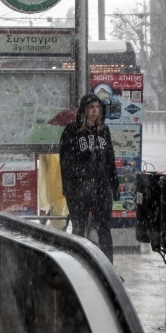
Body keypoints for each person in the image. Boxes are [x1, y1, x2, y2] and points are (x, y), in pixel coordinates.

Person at [59, 93, 119, 262]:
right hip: (79, 188)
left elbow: (110, 160)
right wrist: (68, 187)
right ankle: (76, 263)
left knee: (104, 228)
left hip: (101, 188)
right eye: (91, 108)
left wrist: (114, 184)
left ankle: (108, 266)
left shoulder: (104, 131)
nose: (94, 111)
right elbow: (65, 162)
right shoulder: (72, 131)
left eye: (97, 107)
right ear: (84, 110)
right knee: (79, 228)